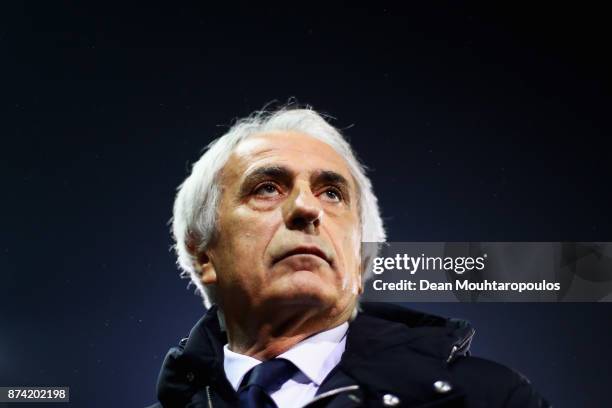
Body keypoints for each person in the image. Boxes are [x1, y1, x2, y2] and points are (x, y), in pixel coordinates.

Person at [148, 105, 549, 408]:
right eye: (267, 188)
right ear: (203, 254)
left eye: (333, 193)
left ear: (359, 259)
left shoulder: (490, 399)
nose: (308, 207)